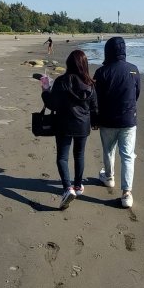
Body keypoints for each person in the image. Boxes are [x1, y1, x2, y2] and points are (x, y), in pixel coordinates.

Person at [41, 50, 98, 210]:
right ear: (84, 65)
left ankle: (68, 188)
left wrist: (46, 89)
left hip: (64, 124)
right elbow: (94, 107)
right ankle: (78, 186)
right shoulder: (91, 84)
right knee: (79, 155)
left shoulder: (62, 81)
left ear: (69, 64)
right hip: (83, 125)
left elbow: (52, 104)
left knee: (63, 157)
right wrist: (94, 123)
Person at [93, 36, 141, 209]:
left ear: (108, 51)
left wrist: (95, 119)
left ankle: (109, 177)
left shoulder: (102, 72)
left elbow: (95, 98)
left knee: (108, 150)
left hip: (107, 119)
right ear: (123, 51)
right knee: (128, 155)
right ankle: (126, 193)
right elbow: (137, 94)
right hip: (128, 119)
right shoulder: (133, 70)